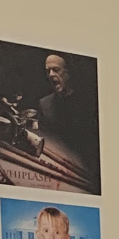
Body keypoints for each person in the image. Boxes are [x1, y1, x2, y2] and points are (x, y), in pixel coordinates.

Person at [36, 53, 98, 188]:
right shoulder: (44, 104)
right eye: (48, 71)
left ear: (68, 73)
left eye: (56, 70)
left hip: (86, 174)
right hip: (56, 172)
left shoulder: (88, 102)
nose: (51, 75)